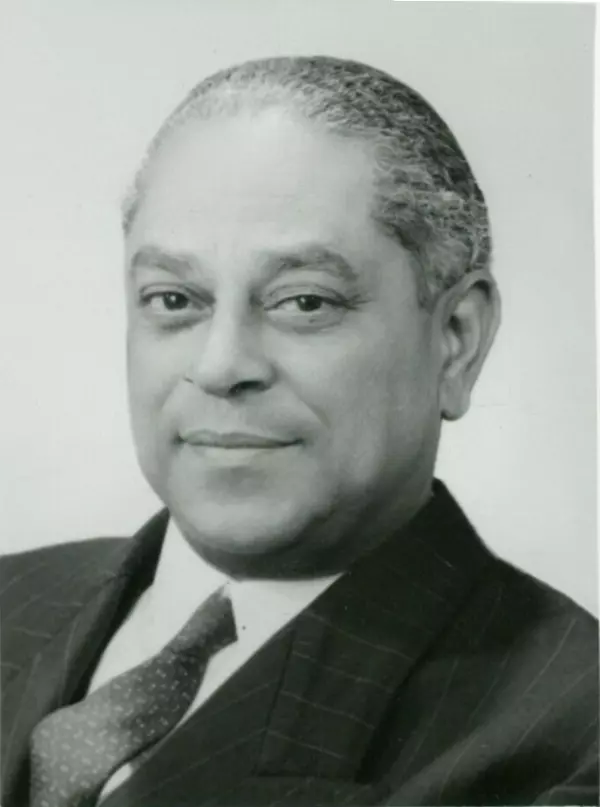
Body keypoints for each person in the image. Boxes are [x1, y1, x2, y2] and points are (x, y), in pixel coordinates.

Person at [1, 56, 597, 807]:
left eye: (305, 302)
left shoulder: (572, 740)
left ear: (456, 341)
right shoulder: (10, 596)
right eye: (174, 299)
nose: (220, 366)